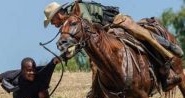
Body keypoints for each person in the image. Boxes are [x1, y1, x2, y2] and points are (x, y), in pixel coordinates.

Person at [44, 1, 183, 92]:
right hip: (104, 32)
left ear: (59, 14)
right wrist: (65, 54)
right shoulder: (68, 24)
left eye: (52, 20)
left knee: (142, 37)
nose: (52, 24)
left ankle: (166, 60)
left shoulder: (77, 9)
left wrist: (71, 49)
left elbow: (89, 29)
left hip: (116, 22)